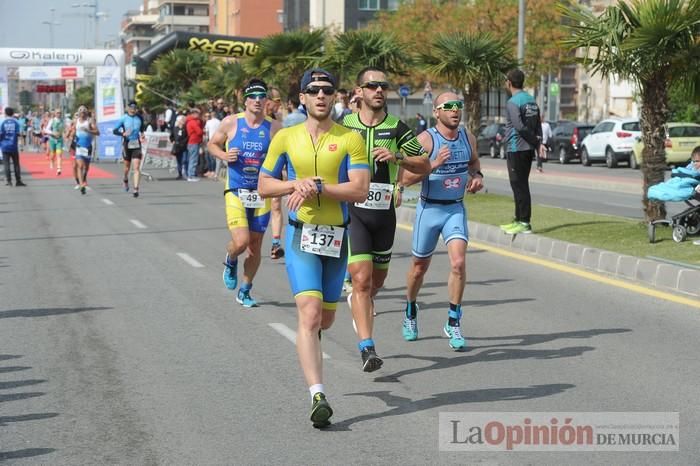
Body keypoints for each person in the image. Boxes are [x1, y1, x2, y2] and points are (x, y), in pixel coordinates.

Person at [258, 68, 369, 428]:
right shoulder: (286, 138)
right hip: (300, 234)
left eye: (327, 90)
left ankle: (315, 337)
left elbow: (359, 190)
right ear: (302, 98)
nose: (321, 95)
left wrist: (319, 186)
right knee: (307, 314)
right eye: (313, 90)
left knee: (325, 317)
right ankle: (318, 395)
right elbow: (264, 184)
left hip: (337, 236)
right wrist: (294, 185)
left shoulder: (350, 139)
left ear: (336, 97)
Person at [342, 66, 431, 372]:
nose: (379, 90)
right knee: (362, 280)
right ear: (359, 92)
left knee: (376, 282)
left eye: (383, 86)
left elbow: (424, 163)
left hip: (384, 215)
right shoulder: (344, 126)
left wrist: (397, 158)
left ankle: (362, 302)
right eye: (372, 86)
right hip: (354, 213)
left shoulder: (397, 128)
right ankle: (368, 349)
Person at [399, 92, 483, 350]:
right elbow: (403, 178)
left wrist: (477, 176)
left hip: (455, 209)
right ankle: (411, 309)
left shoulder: (467, 137)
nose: (455, 110)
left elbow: (474, 162)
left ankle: (453, 320)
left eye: (458, 106)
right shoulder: (425, 140)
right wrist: (433, 164)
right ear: (436, 112)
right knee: (418, 268)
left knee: (458, 263)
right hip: (429, 210)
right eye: (448, 107)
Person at [208, 78, 281, 307]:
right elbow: (212, 144)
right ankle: (231, 259)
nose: (258, 101)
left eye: (262, 97)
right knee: (241, 242)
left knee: (256, 245)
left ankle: (245, 290)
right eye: (254, 97)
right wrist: (223, 156)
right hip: (236, 189)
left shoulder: (275, 127)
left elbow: (285, 155)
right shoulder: (231, 122)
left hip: (261, 192)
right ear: (246, 100)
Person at [500, 69, 542, 235]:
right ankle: (518, 219)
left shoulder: (513, 102)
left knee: (519, 185)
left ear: (509, 83)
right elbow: (538, 124)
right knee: (520, 185)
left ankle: (524, 222)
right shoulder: (531, 100)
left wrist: (536, 141)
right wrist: (538, 142)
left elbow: (519, 126)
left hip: (516, 148)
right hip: (527, 150)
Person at [264, 87, 286, 259]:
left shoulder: (277, 121)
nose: (278, 106)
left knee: (276, 206)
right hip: (254, 170)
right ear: (267, 101)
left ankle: (276, 243)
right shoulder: (252, 118)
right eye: (277, 102)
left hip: (274, 170)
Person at [113, 100, 145, 198]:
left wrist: (142, 135)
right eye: (131, 108)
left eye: (134, 108)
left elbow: (142, 129)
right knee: (127, 167)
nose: (133, 110)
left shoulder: (139, 118)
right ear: (128, 108)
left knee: (136, 167)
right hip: (127, 144)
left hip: (136, 144)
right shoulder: (123, 118)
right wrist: (123, 133)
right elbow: (114, 130)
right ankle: (125, 179)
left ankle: (136, 189)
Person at [68, 106, 99, 194]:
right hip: (79, 146)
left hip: (88, 147)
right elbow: (73, 130)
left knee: (86, 167)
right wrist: (71, 135)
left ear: (86, 113)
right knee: (80, 166)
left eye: (84, 112)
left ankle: (84, 178)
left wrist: (88, 130)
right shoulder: (76, 121)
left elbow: (97, 132)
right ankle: (82, 185)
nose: (82, 114)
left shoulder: (90, 121)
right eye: (80, 112)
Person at [1, 107, 25, 186]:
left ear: (5, 113)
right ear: (12, 113)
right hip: (14, 146)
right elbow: (19, 134)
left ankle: (9, 181)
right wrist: (21, 144)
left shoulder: (2, 122)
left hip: (4, 146)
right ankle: (18, 180)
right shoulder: (16, 122)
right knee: (16, 164)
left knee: (6, 164)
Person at [185, 108, 204, 181]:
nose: (199, 115)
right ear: (193, 114)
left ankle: (191, 174)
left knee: (192, 159)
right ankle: (191, 175)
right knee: (193, 159)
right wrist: (203, 131)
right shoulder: (192, 122)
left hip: (193, 142)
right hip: (194, 142)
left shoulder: (191, 121)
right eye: (197, 113)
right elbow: (199, 131)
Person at [46, 109, 65, 175]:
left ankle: (59, 168)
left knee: (59, 154)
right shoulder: (52, 120)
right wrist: (53, 133)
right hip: (52, 140)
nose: (58, 114)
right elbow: (46, 130)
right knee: (52, 155)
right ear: (55, 114)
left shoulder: (63, 121)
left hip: (59, 140)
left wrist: (64, 135)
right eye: (57, 113)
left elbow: (64, 130)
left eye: (60, 113)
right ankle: (51, 161)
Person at [203, 111, 221, 179]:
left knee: (209, 157)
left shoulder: (208, 122)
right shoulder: (219, 122)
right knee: (214, 157)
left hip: (210, 140)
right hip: (218, 140)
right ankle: (213, 171)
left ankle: (211, 171)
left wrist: (206, 141)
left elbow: (206, 132)